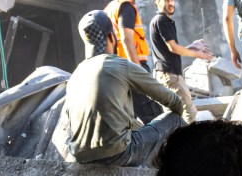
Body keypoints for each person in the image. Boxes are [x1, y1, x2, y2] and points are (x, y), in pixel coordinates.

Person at [57, 10, 186, 164]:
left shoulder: (76, 75)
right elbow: (174, 102)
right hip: (118, 153)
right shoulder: (119, 64)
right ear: (112, 36)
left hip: (81, 157)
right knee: (175, 120)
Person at [150, 0, 213, 108]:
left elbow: (171, 50)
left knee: (175, 115)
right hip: (170, 76)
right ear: (158, 2)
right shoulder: (161, 20)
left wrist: (192, 46)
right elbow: (173, 48)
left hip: (168, 74)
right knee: (188, 112)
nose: (171, 3)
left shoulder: (163, 20)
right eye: (166, 0)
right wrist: (200, 55)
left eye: (172, 0)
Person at [107, 0, 152, 64]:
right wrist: (138, 70)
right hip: (130, 64)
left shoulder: (110, 7)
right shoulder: (127, 7)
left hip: (119, 63)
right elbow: (126, 39)